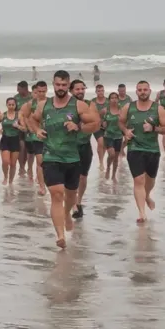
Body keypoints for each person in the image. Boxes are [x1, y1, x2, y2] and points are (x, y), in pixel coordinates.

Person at [32, 70, 99, 249]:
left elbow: (95, 124)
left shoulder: (78, 105)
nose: (60, 88)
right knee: (56, 194)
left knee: (71, 195)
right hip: (51, 156)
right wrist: (37, 130)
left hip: (71, 157)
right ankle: (60, 235)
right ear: (53, 85)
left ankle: (67, 213)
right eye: (57, 85)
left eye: (63, 85)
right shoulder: (43, 105)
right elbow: (32, 120)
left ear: (68, 85)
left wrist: (78, 126)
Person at [119, 80, 165, 223]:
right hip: (135, 148)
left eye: (145, 89)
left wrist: (154, 129)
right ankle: (141, 213)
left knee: (150, 181)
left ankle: (146, 195)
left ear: (150, 91)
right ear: (136, 91)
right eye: (140, 90)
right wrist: (126, 131)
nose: (142, 92)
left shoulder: (158, 108)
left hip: (152, 149)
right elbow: (120, 121)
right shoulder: (129, 107)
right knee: (138, 180)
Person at [70, 80, 97, 220]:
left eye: (82, 88)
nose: (80, 91)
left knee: (82, 177)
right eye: (77, 89)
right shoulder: (66, 104)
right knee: (70, 177)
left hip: (85, 145)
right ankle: (73, 204)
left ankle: (78, 202)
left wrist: (81, 125)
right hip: (69, 146)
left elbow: (95, 122)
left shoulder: (90, 104)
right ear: (71, 91)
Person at [22, 82, 48, 195]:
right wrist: (31, 128)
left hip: (49, 136)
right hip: (37, 137)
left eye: (43, 91)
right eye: (39, 91)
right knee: (40, 161)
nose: (41, 94)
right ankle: (42, 187)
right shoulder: (30, 103)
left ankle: (45, 180)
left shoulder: (51, 102)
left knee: (49, 162)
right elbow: (25, 116)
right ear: (35, 91)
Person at [0, 97, 22, 185]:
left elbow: (25, 128)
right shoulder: (2, 115)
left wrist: (18, 126)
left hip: (15, 140)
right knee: (6, 161)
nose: (11, 106)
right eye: (9, 104)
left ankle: (10, 181)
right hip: (5, 140)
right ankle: (5, 177)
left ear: (15, 105)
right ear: (6, 105)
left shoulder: (19, 115)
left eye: (13, 105)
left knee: (13, 164)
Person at [102, 92, 123, 181]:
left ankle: (114, 175)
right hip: (108, 136)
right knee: (112, 154)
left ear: (118, 99)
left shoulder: (121, 110)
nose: (114, 100)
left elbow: (126, 123)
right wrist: (103, 124)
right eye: (112, 98)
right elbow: (99, 121)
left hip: (118, 136)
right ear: (109, 100)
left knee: (116, 158)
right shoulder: (105, 110)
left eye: (115, 98)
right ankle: (108, 168)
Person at [14, 81, 32, 176]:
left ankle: (27, 167)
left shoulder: (32, 96)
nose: (17, 90)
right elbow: (12, 111)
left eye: (19, 89)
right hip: (20, 126)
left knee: (28, 149)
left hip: (31, 125)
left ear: (25, 88)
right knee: (21, 147)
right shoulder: (16, 98)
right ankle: (21, 167)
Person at [92, 84, 108, 170]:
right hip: (96, 125)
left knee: (104, 145)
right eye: (98, 91)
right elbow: (90, 115)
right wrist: (100, 113)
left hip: (107, 126)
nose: (100, 92)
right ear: (96, 92)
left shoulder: (109, 101)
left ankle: (101, 159)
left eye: (102, 90)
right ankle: (101, 162)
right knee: (100, 142)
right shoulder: (92, 102)